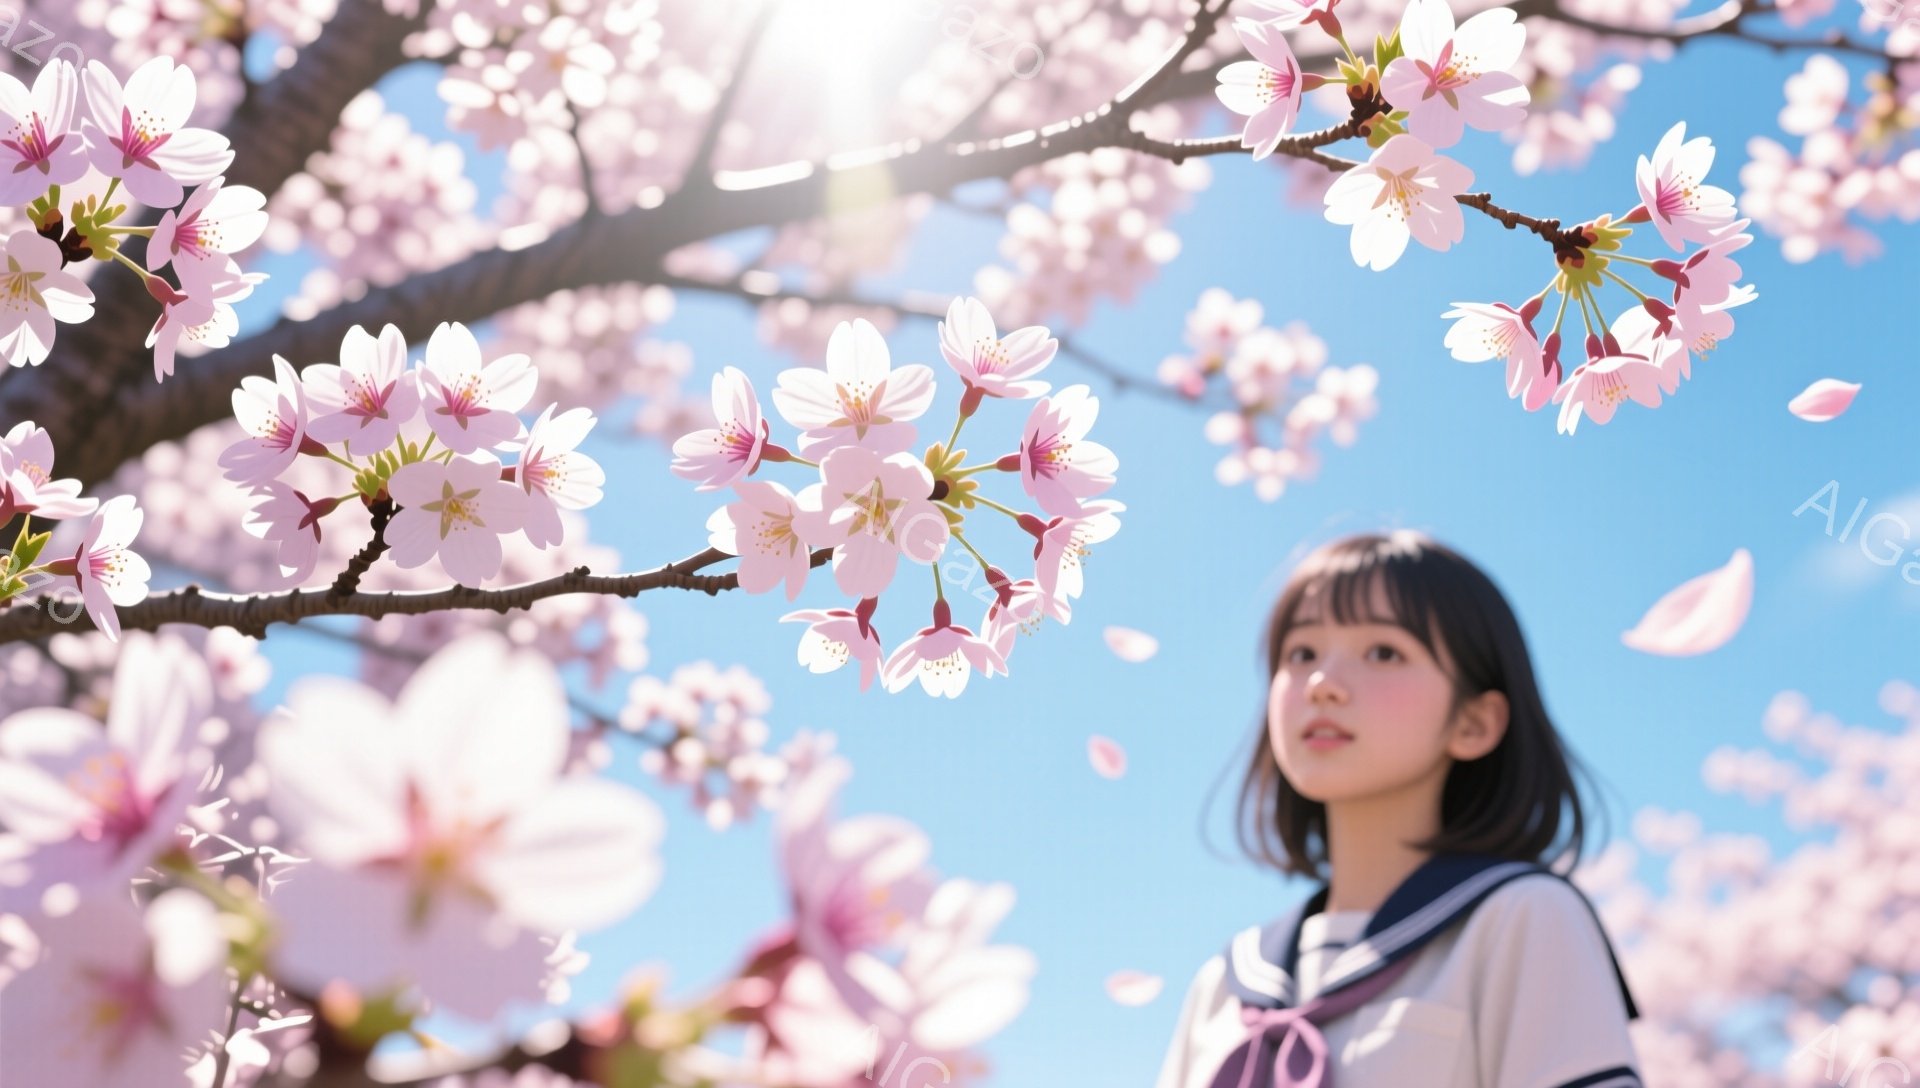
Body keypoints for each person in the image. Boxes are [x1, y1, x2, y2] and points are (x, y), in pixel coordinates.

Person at [1154, 530, 1643, 1088]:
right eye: (1301, 653)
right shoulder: (1226, 979)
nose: (1322, 684)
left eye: (1383, 652)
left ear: (1474, 723)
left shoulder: (1520, 919)